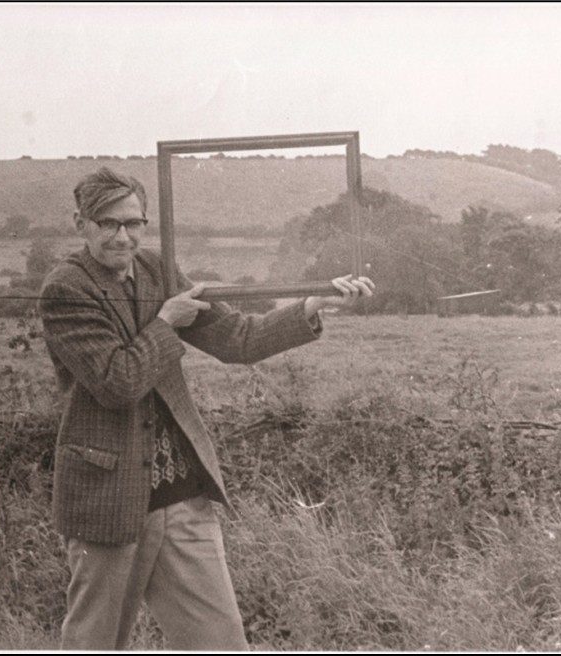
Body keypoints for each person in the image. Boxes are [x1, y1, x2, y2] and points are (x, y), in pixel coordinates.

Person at [38, 167, 374, 650]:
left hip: (182, 493)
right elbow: (117, 382)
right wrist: (165, 321)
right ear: (80, 223)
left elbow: (238, 339)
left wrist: (312, 304)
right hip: (109, 499)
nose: (122, 236)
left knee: (220, 642)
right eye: (107, 223)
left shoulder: (158, 269)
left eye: (133, 223)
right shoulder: (66, 290)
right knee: (96, 642)